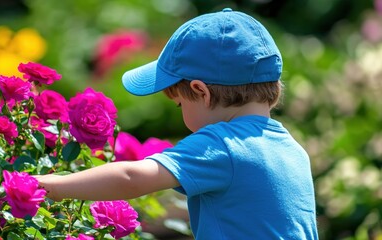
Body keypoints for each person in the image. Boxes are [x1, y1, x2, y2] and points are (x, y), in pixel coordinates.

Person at [35, 8, 319, 239]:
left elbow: (132, 178)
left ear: (201, 92)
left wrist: (46, 185)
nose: (181, 112)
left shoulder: (223, 145)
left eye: (180, 103)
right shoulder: (292, 150)